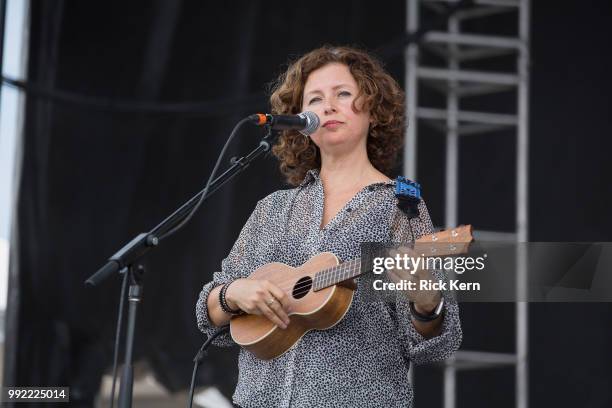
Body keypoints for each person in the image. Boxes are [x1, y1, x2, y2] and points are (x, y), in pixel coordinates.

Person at [196, 45, 462, 408]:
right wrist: (233, 293)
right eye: (315, 99)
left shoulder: (401, 206)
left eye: (343, 94)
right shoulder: (273, 209)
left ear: (373, 110)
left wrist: (427, 304)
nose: (328, 106)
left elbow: (436, 340)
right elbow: (209, 313)